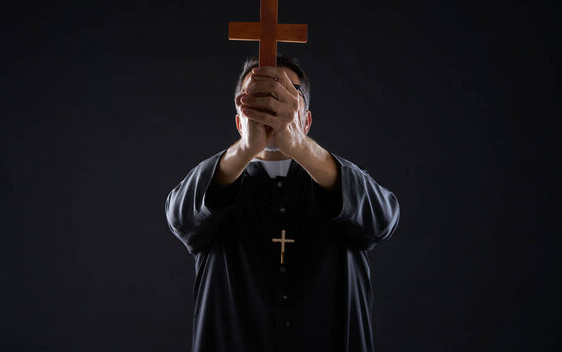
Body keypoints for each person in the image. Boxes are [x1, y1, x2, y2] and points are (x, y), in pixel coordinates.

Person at [165, 54, 400, 352]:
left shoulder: (340, 181)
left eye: (289, 94)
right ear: (240, 122)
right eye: (258, 96)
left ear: (307, 119)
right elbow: (180, 217)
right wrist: (247, 148)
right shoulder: (216, 183)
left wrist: (300, 146)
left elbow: (383, 220)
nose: (272, 104)